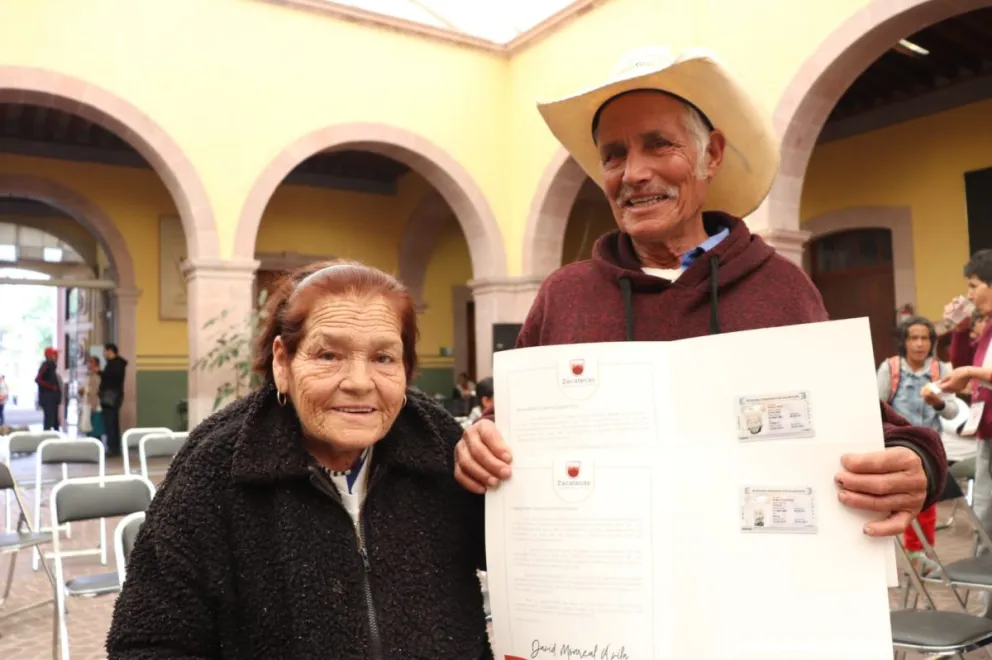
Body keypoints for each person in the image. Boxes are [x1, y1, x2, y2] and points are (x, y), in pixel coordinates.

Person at [455, 45, 946, 538]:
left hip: (753, 590)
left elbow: (869, 424)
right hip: (604, 591)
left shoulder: (780, 288)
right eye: (614, 154)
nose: (633, 173)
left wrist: (916, 462)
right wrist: (476, 447)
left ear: (711, 154)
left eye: (658, 145)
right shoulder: (564, 296)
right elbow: (508, 434)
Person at [106, 261, 491, 659]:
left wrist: (513, 470)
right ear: (282, 362)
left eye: (384, 358)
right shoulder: (217, 466)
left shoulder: (442, 448)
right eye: (328, 355)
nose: (359, 382)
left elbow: (526, 563)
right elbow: (147, 644)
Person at [877, 316, 959, 574]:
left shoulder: (940, 370)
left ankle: (924, 556)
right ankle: (911, 555)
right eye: (914, 337)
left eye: (925, 338)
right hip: (899, 449)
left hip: (932, 451)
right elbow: (876, 407)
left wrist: (937, 402)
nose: (920, 344)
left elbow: (953, 412)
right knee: (903, 504)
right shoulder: (890, 369)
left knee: (929, 506)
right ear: (904, 341)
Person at [938, 249, 992, 614]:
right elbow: (961, 370)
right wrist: (958, 329)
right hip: (987, 437)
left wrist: (972, 375)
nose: (969, 294)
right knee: (985, 522)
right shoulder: (986, 328)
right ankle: (988, 609)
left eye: (974, 285)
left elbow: (969, 374)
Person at [99, 343, 127, 456]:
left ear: (110, 351)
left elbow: (111, 378)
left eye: (105, 351)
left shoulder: (115, 365)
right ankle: (114, 447)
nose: (103, 354)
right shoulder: (115, 364)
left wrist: (100, 373)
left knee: (110, 422)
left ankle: (113, 447)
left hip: (111, 397)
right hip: (114, 396)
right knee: (112, 422)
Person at [35, 347, 62, 431]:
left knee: (54, 419)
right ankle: (47, 436)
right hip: (47, 397)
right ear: (49, 356)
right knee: (49, 419)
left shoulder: (52, 366)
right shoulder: (45, 366)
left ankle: (56, 435)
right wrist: (50, 387)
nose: (56, 357)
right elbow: (38, 379)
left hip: (53, 398)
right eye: (54, 355)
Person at [78, 356, 105, 439]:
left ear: (96, 364)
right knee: (88, 428)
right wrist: (82, 391)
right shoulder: (88, 375)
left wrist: (93, 405)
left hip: (95, 406)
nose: (89, 364)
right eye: (88, 362)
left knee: (95, 430)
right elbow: (84, 389)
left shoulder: (98, 376)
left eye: (91, 362)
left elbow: (96, 391)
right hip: (87, 404)